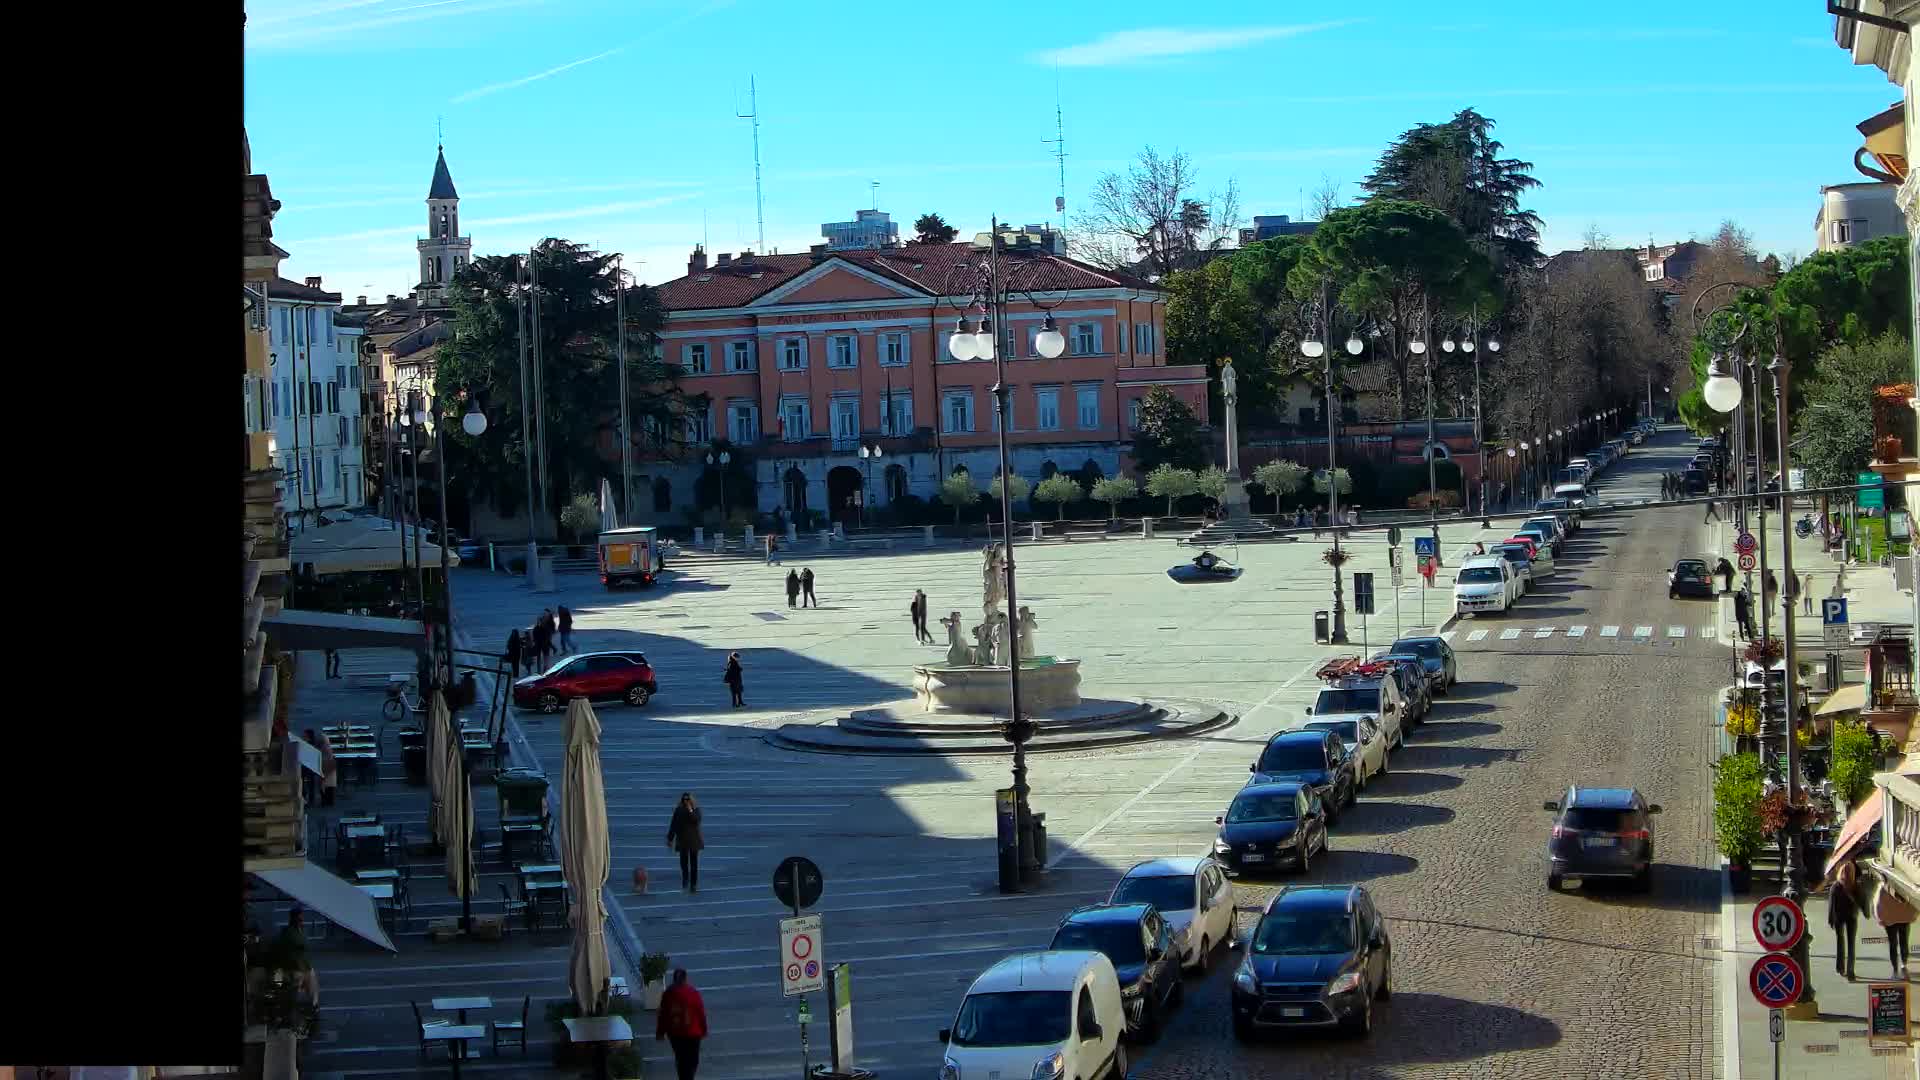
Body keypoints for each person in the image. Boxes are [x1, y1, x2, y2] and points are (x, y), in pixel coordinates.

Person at [656, 968, 709, 1079]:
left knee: (681, 1058)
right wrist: (704, 1029)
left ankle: (684, 1077)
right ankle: (688, 1077)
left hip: (675, 1034)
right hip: (693, 1033)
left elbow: (663, 1014)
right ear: (685, 979)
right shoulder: (693, 993)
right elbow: (700, 1012)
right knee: (693, 1060)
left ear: (674, 979)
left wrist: (660, 1032)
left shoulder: (668, 993)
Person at [1874, 875, 1915, 978]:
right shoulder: (1904, 887)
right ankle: (1904, 965)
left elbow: (1878, 905)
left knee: (1892, 944)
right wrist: (1913, 915)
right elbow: (1913, 901)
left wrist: (1880, 918)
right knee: (1904, 941)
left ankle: (1895, 969)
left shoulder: (1883, 888)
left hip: (1889, 920)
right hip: (1904, 919)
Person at [666, 792, 704, 892]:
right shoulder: (678, 810)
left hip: (693, 841)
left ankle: (693, 884)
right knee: (683, 863)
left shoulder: (696, 810)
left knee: (694, 864)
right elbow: (673, 825)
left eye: (688, 800)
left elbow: (696, 820)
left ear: (691, 800)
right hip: (682, 840)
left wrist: (690, 810)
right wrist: (670, 838)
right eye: (685, 800)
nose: (686, 801)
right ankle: (685, 880)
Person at [1831, 859, 1861, 980]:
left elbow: (1831, 906)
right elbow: (1862, 901)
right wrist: (1866, 912)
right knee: (1851, 944)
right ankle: (1850, 971)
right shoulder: (1856, 885)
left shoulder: (1836, 886)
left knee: (1840, 941)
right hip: (1852, 917)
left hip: (1838, 917)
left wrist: (1830, 920)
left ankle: (1840, 967)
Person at [304, 728, 338, 808]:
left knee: (325, 789)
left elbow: (324, 762)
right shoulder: (327, 749)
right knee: (329, 790)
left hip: (325, 773)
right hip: (329, 774)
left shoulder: (323, 750)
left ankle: (325, 802)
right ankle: (328, 802)